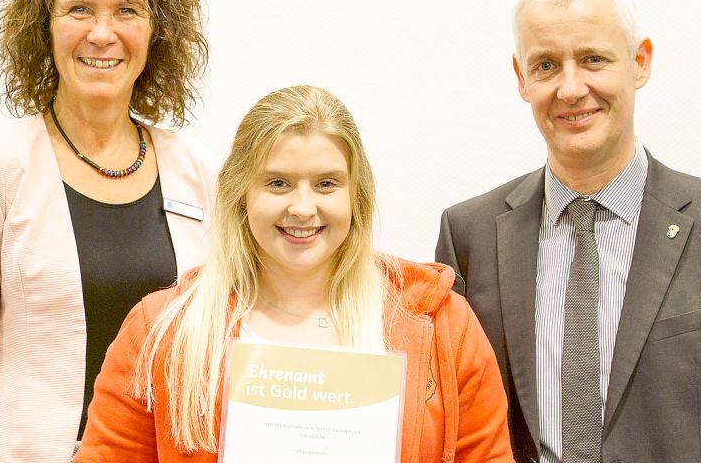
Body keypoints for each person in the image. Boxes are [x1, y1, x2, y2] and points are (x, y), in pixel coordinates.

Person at [435, 0, 701, 462]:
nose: (570, 89)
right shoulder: (468, 237)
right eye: (546, 64)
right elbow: (452, 432)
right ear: (521, 77)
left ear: (640, 62)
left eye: (593, 59)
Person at [74, 85, 513, 462]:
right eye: (278, 183)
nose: (303, 208)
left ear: (355, 196)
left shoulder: (443, 328)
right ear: (240, 194)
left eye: (326, 184)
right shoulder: (161, 330)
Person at [0, 0, 216, 460]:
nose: (102, 33)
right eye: (79, 9)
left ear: (157, 31)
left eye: (126, 10)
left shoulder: (196, 168)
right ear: (46, 24)